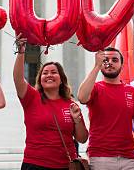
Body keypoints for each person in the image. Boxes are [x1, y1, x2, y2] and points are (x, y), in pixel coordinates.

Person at [14, 34, 88, 170]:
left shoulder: (71, 105)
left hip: (65, 165)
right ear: (40, 79)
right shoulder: (31, 98)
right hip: (36, 164)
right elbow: (18, 79)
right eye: (45, 73)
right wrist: (21, 51)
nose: (49, 75)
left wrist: (77, 120)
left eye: (53, 72)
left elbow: (82, 139)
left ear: (61, 79)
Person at [77, 47, 134, 170]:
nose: (109, 63)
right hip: (100, 157)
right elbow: (82, 97)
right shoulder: (95, 88)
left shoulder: (133, 92)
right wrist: (96, 67)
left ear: (122, 64)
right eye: (105, 60)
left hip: (128, 158)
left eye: (114, 60)